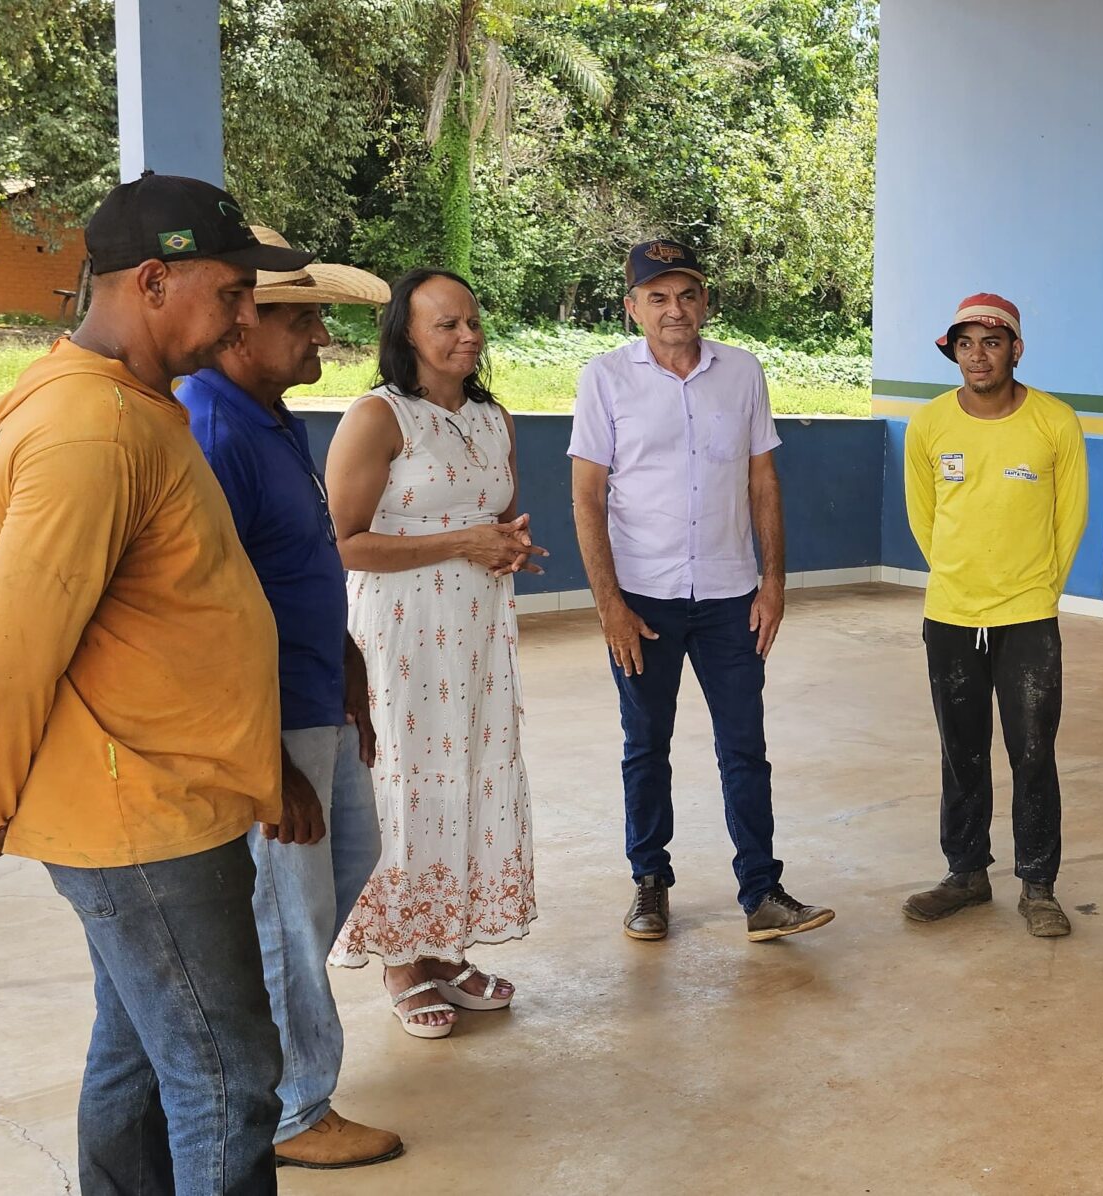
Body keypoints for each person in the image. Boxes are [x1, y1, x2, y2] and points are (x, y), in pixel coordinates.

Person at [0, 172, 312, 1192]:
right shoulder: (92, 432)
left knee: (138, 1057)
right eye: (231, 293)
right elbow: (8, 651)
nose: (244, 317)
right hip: (146, 818)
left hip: (159, 797)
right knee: (228, 1079)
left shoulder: (129, 406)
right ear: (155, 281)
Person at [174, 226, 405, 1170]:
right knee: (286, 914)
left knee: (346, 861)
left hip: (313, 693)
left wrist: (344, 654)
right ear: (240, 323)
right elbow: (200, 611)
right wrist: (263, 756)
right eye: (302, 319)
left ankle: (272, 1064)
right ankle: (291, 1109)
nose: (321, 336)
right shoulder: (213, 429)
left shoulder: (271, 416)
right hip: (265, 718)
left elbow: (292, 559)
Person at [570, 239, 833, 944]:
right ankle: (650, 884)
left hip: (729, 594)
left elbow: (762, 481)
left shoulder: (742, 372)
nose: (674, 310)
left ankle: (762, 892)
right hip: (642, 598)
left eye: (687, 295)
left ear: (705, 302)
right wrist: (609, 605)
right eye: (657, 297)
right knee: (645, 745)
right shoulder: (605, 379)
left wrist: (773, 582)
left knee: (744, 746)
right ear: (632, 308)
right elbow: (587, 496)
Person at [326, 267, 548, 1038]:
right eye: (447, 324)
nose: (467, 335)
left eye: (473, 321)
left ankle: (444, 948)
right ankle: (401, 959)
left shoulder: (494, 418)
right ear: (407, 335)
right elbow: (343, 542)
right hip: (401, 632)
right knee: (406, 780)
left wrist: (508, 547)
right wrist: (462, 542)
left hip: (478, 633)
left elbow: (496, 519)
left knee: (468, 777)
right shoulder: (378, 417)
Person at [898, 293, 1090, 938]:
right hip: (950, 614)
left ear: (1016, 349)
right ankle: (966, 874)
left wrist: (1037, 591)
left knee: (1032, 751)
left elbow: (1070, 518)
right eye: (966, 343)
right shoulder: (929, 424)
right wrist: (961, 579)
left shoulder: (1054, 421)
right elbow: (924, 519)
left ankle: (1038, 883)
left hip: (1028, 616)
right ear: (953, 351)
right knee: (961, 749)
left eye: (992, 342)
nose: (978, 355)